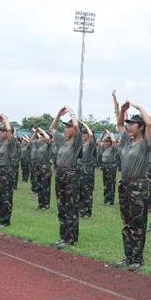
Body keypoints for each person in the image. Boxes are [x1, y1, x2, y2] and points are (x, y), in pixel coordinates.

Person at [115, 97, 151, 270]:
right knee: (126, 222)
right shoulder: (127, 141)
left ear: (139, 127)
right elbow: (119, 126)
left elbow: (149, 123)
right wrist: (122, 110)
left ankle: (137, 259)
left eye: (132, 123)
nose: (129, 126)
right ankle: (128, 255)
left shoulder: (145, 143)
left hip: (139, 186)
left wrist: (139, 107)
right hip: (125, 184)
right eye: (129, 123)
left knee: (138, 223)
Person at [50, 106, 83, 248]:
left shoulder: (76, 143)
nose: (66, 129)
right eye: (66, 127)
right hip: (60, 174)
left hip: (71, 175)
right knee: (61, 206)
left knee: (71, 207)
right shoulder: (62, 141)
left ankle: (71, 238)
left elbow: (76, 127)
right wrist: (58, 115)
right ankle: (63, 236)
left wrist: (72, 114)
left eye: (68, 127)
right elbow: (52, 129)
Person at [0, 114, 18, 227]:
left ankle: (5, 221)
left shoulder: (11, 142)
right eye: (0, 131)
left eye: (3, 131)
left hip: (6, 171)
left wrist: (6, 120)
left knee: (6, 197)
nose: (0, 132)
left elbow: (9, 130)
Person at [30, 128, 54, 209]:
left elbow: (48, 138)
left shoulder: (48, 144)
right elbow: (31, 140)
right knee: (39, 186)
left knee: (45, 186)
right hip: (38, 167)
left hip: (45, 167)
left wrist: (41, 130)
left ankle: (46, 204)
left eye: (42, 136)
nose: (40, 137)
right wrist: (35, 132)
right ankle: (40, 204)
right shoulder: (38, 144)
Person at [78, 123, 97, 218]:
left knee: (87, 192)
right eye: (82, 133)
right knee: (80, 191)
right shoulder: (81, 144)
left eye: (84, 134)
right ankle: (81, 210)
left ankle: (87, 212)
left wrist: (85, 125)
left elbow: (91, 135)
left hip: (87, 171)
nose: (83, 135)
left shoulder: (90, 145)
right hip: (80, 171)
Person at [99, 132, 119, 206]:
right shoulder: (105, 148)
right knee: (106, 184)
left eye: (107, 141)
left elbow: (114, 141)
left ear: (110, 142)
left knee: (111, 184)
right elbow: (99, 142)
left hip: (111, 167)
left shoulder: (114, 148)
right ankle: (106, 199)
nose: (105, 143)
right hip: (105, 166)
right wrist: (102, 134)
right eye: (105, 141)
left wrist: (110, 133)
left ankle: (110, 201)